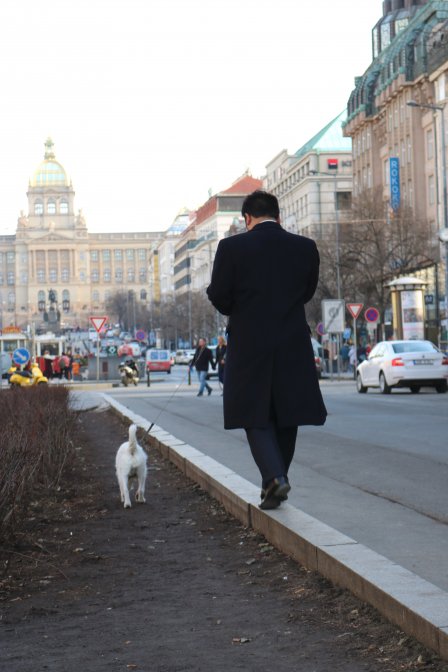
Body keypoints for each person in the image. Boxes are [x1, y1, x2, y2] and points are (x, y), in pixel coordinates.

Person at [207, 190, 327, 510]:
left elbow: (219, 295)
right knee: (288, 412)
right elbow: (307, 292)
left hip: (249, 343)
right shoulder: (305, 248)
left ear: (247, 219)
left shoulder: (231, 247)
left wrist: (242, 308)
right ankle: (275, 482)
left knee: (253, 411)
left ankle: (274, 477)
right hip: (292, 341)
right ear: (279, 215)